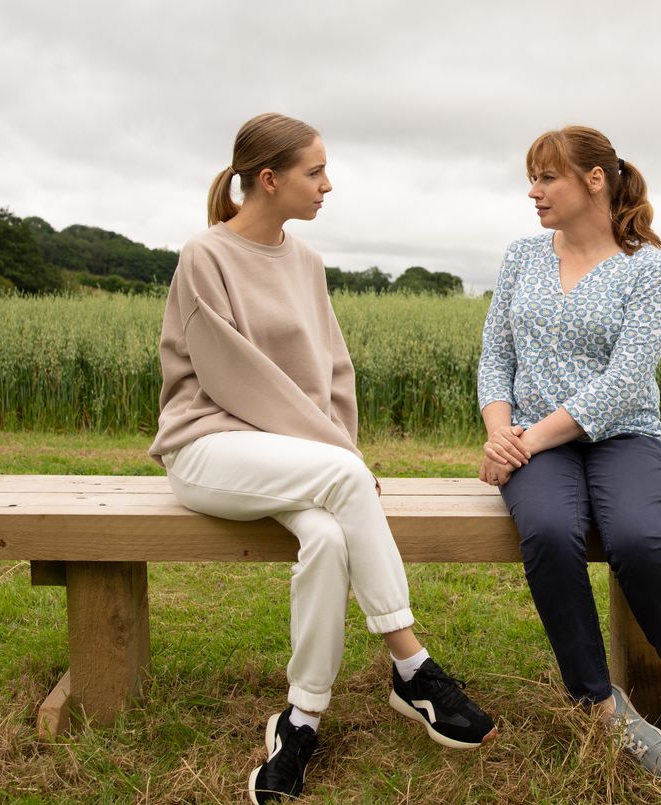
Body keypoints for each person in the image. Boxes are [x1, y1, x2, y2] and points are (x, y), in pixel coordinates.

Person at [149, 113, 496, 803]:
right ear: (269, 179)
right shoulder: (204, 256)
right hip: (205, 446)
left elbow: (333, 371)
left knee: (329, 535)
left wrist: (338, 443)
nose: (328, 185)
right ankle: (412, 664)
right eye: (316, 172)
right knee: (342, 479)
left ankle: (301, 718)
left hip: (293, 456)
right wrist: (337, 456)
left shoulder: (305, 262)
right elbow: (232, 377)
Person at [476, 125, 661, 779]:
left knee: (636, 534)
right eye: (533, 177)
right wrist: (498, 431)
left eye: (547, 178)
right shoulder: (522, 255)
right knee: (547, 529)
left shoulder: (650, 269)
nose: (533, 190)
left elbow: (623, 382)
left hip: (625, 436)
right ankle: (599, 702)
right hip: (533, 445)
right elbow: (496, 354)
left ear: (593, 181)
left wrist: (522, 438)